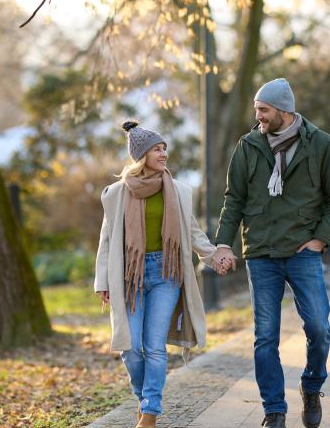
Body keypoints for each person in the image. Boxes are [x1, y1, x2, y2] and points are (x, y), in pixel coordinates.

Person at [213, 78, 330, 428]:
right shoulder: (248, 146)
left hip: (304, 250)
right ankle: (274, 409)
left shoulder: (321, 144)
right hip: (261, 252)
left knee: (319, 328)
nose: (257, 115)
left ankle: (312, 386)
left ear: (284, 111)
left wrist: (320, 239)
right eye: (257, 108)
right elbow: (235, 200)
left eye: (264, 109)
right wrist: (224, 243)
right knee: (265, 337)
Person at [94, 121, 230, 428]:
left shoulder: (178, 191)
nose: (164, 153)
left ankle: (151, 411)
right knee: (131, 348)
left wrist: (215, 257)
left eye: (165, 148)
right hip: (130, 277)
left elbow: (193, 233)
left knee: (154, 346)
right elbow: (106, 239)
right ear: (141, 154)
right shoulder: (116, 194)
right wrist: (102, 282)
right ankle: (144, 399)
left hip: (166, 273)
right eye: (157, 149)